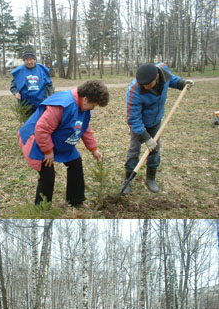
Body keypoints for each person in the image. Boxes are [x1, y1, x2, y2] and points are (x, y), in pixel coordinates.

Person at [19, 79, 110, 207]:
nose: (93, 108)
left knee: (76, 163)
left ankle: (76, 200)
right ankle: (42, 208)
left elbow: (84, 128)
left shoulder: (83, 107)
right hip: (37, 139)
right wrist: (48, 151)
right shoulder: (62, 105)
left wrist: (93, 149)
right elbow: (41, 129)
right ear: (85, 99)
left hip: (59, 137)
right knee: (47, 175)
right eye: (93, 105)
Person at [123, 63, 193, 194]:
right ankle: (128, 180)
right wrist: (146, 138)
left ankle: (151, 178)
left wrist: (182, 83)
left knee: (155, 150)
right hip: (140, 125)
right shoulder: (134, 90)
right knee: (134, 150)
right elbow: (133, 119)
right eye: (143, 85)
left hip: (156, 121)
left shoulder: (163, 70)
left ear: (157, 77)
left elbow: (171, 80)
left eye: (148, 84)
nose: (145, 87)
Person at [10, 50, 54, 118]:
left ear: (34, 59)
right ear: (24, 60)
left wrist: (51, 96)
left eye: (31, 59)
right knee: (27, 124)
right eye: (26, 60)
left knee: (41, 123)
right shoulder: (19, 71)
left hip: (41, 102)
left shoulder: (42, 69)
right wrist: (16, 93)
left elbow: (49, 85)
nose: (29, 62)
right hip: (25, 104)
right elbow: (13, 86)